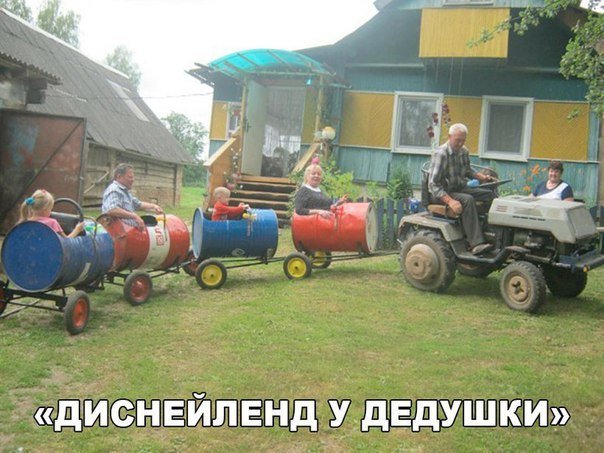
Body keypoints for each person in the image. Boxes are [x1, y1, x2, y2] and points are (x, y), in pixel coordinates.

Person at [428, 123, 496, 255]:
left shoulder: (463, 151)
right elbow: (433, 184)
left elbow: (468, 170)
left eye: (463, 140)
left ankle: (491, 234)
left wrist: (482, 177)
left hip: (459, 188)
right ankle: (476, 243)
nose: (460, 143)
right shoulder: (441, 154)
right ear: (449, 137)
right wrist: (450, 201)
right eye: (457, 140)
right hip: (442, 193)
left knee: (489, 195)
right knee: (468, 200)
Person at [101, 163, 163, 228]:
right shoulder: (114, 190)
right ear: (119, 177)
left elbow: (138, 204)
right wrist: (134, 216)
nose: (133, 179)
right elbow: (112, 210)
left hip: (130, 231)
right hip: (119, 233)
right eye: (130, 177)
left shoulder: (124, 191)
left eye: (133, 177)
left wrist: (154, 206)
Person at [18, 189, 84, 238]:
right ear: (45, 210)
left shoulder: (25, 223)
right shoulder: (52, 223)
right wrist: (77, 230)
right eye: (50, 209)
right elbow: (66, 242)